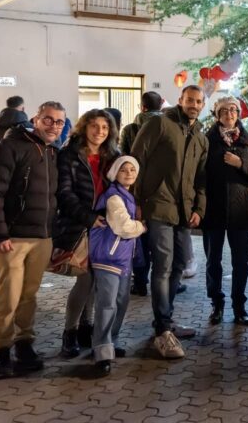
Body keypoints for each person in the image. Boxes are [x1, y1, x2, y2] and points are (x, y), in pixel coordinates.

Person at [0, 101, 66, 378]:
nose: (54, 126)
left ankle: (24, 342)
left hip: (42, 237)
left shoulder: (53, 151)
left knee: (28, 295)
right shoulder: (9, 147)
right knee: (8, 295)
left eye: (59, 122)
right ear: (35, 119)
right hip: (13, 239)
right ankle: (1, 350)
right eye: (48, 120)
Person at [131, 85, 208, 359]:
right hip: (158, 206)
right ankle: (163, 330)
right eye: (190, 100)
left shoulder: (201, 136)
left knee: (179, 265)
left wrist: (199, 207)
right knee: (162, 266)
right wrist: (136, 200)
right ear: (181, 100)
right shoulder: (159, 124)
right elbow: (136, 160)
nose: (194, 105)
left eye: (199, 101)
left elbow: (201, 178)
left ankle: (166, 321)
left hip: (184, 211)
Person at [56, 109, 120, 358]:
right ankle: (69, 332)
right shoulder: (70, 155)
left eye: (105, 127)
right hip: (80, 225)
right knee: (85, 279)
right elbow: (64, 193)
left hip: (106, 227)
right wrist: (89, 218)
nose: (99, 132)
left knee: (97, 279)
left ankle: (87, 326)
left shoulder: (113, 155)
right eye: (94, 126)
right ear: (84, 127)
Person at [202, 96, 248, 327]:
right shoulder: (207, 141)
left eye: (233, 110)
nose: (229, 114)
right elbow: (199, 175)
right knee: (213, 262)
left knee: (241, 262)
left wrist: (241, 164)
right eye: (224, 111)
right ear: (217, 115)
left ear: (238, 114)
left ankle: (239, 306)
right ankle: (216, 305)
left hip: (241, 212)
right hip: (213, 211)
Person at [90, 156, 146, 376]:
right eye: (124, 170)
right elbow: (123, 227)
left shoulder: (127, 195)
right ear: (115, 173)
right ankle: (101, 351)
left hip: (122, 259)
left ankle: (110, 342)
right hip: (108, 258)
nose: (129, 173)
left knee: (120, 302)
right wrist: (141, 226)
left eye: (133, 169)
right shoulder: (114, 197)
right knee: (107, 304)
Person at [122, 91, 164, 296]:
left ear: (142, 107)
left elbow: (124, 159)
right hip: (161, 192)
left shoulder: (130, 129)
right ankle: (162, 283)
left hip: (135, 190)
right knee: (160, 241)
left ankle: (140, 282)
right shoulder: (167, 128)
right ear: (162, 105)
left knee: (140, 238)